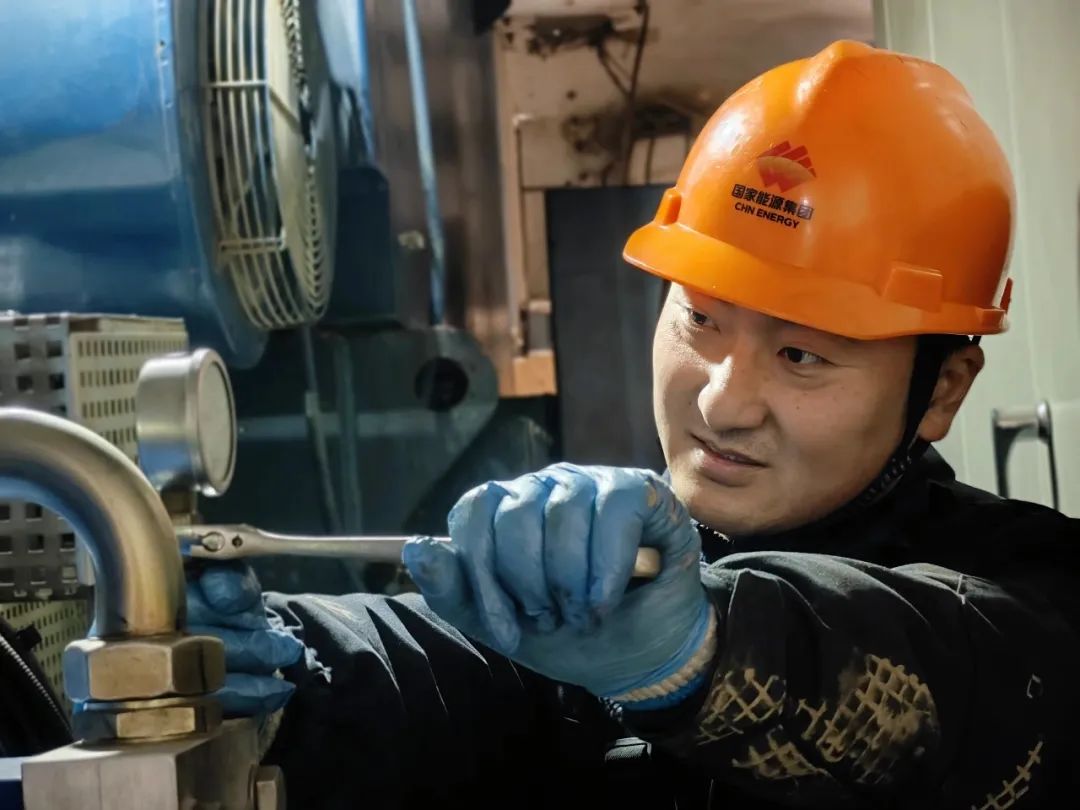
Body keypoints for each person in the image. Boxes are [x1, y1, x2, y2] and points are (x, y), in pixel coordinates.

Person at [185, 40, 1080, 808]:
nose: (722, 402)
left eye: (802, 355)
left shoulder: (1035, 597)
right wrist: (289, 661)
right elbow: (452, 662)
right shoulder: (623, 575)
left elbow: (969, 699)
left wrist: (702, 653)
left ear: (942, 390)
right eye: (701, 320)